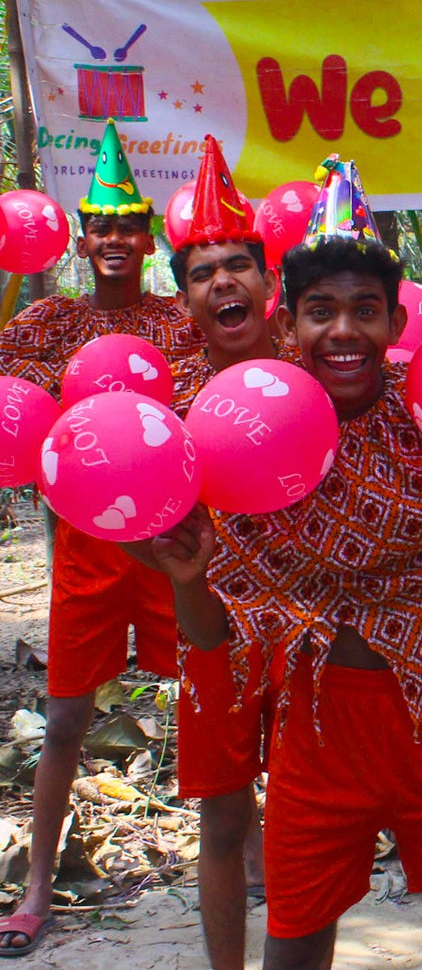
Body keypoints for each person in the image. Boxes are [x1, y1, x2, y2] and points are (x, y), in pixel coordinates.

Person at [146, 158, 422, 970]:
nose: (342, 331)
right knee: (295, 943)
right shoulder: (248, 436)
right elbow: (212, 636)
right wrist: (188, 579)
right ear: (288, 319)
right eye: (321, 312)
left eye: (364, 310)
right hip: (312, 730)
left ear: (394, 320)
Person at [0, 121, 203, 956]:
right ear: (82, 241)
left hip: (170, 544)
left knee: (208, 696)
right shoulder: (46, 323)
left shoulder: (180, 323)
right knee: (64, 721)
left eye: (128, 226)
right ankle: (36, 887)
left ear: (149, 240)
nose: (114, 239)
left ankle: (245, 854)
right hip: (85, 548)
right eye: (101, 227)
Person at [165, 136, 279, 970]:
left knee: (318, 817)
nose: (223, 282)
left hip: (323, 632)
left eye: (238, 265)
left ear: (269, 285)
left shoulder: (321, 379)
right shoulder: (164, 406)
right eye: (203, 274)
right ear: (187, 302)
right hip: (215, 633)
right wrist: (186, 582)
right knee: (224, 819)